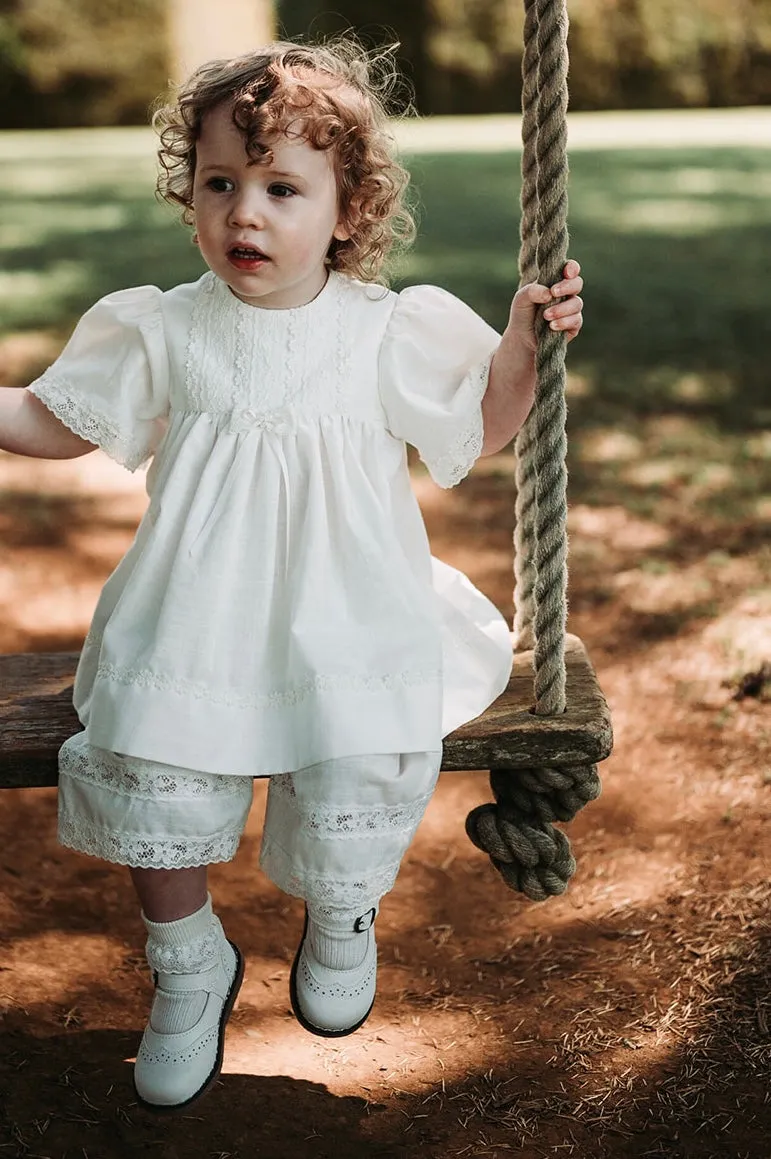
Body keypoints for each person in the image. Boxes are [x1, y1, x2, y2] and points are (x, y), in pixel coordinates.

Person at [0, 40, 584, 1112]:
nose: (245, 216)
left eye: (280, 188)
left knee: (356, 766)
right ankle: (188, 964)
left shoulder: (383, 332)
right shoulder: (164, 326)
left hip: (348, 616)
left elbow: (486, 430)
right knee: (147, 765)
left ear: (349, 209)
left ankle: (341, 911)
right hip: (195, 615)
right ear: (192, 196)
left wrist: (518, 345)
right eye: (220, 184)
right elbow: (53, 420)